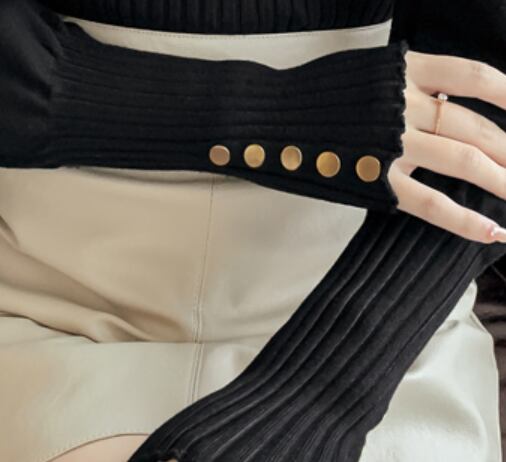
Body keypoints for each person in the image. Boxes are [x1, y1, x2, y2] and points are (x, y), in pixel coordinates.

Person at [0, 0, 504, 461]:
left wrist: (323, 388)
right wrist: (274, 113)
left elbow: (489, 102)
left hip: (384, 305)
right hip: (49, 302)